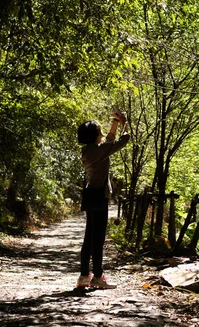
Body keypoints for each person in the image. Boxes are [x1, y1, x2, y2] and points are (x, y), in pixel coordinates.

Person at [76, 109, 129, 288]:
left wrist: (115, 121)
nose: (102, 132)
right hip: (100, 197)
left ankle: (84, 276)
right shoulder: (100, 151)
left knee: (88, 238)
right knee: (98, 239)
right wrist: (125, 124)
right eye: (100, 130)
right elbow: (123, 140)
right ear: (95, 135)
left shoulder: (88, 150)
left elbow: (109, 140)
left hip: (90, 196)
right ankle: (98, 277)